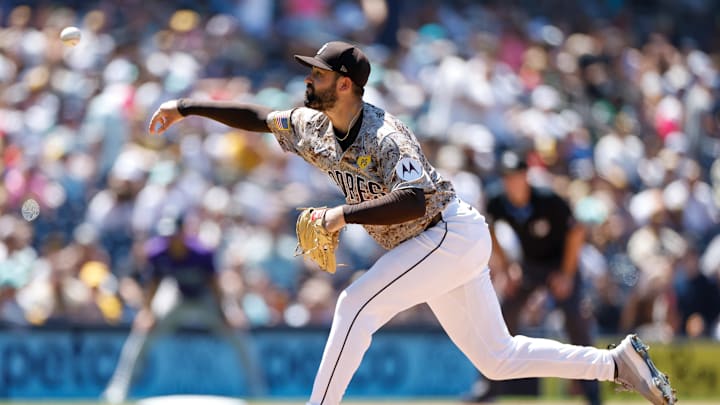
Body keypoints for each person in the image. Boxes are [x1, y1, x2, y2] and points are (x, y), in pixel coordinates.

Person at [148, 40, 676, 405]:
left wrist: (340, 216)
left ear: (347, 84)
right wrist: (186, 107)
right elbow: (258, 118)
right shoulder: (313, 124)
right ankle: (615, 364)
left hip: (447, 231)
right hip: (441, 246)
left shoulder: (384, 135)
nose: (308, 78)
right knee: (498, 358)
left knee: (353, 305)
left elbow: (414, 199)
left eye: (319, 73)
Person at [464, 150, 601, 404]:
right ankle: (489, 388)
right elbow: (487, 228)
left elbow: (576, 233)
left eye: (516, 176)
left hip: (561, 264)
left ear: (526, 176)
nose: (511, 182)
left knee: (575, 321)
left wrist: (567, 275)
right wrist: (506, 267)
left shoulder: (548, 199)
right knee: (501, 316)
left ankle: (591, 391)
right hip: (530, 265)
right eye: (506, 177)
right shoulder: (498, 201)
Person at [102, 213, 266, 404]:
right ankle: (119, 388)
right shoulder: (157, 252)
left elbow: (214, 285)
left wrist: (227, 312)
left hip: (205, 298)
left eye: (174, 235)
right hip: (176, 296)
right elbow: (155, 284)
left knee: (237, 333)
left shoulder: (201, 252)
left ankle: (257, 389)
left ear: (183, 233)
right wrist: (147, 313)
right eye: (168, 236)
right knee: (143, 331)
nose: (171, 240)